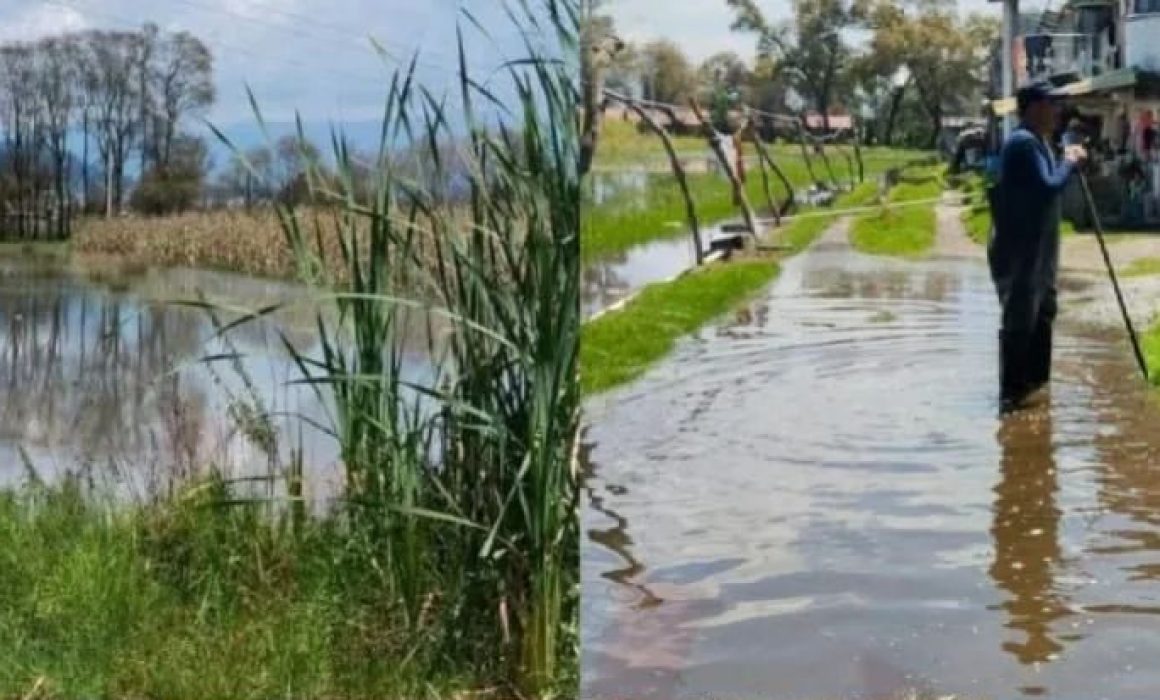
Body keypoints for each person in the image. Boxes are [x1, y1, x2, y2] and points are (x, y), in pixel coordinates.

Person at [986, 82, 1087, 412]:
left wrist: (1064, 159)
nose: (1057, 111)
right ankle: (1012, 402)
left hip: (1039, 253)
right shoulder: (1023, 144)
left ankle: (1036, 395)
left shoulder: (1040, 142)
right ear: (1032, 108)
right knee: (1020, 323)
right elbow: (1047, 187)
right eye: (1051, 104)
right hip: (1018, 254)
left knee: (1042, 318)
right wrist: (1070, 163)